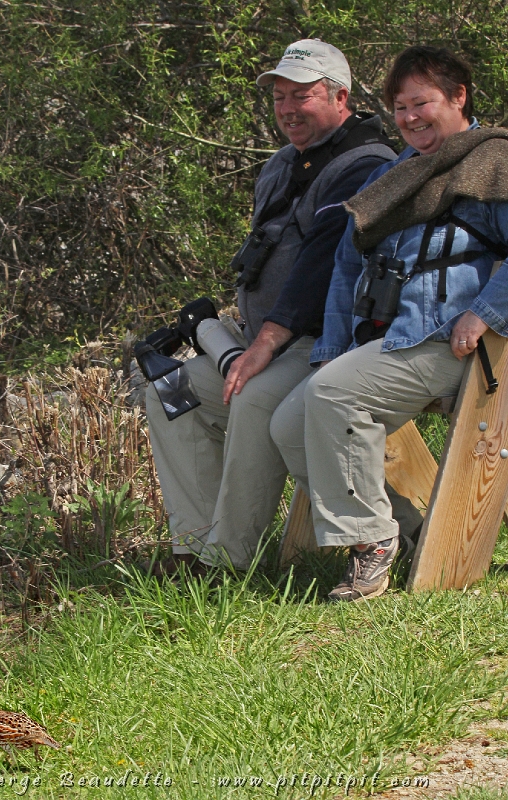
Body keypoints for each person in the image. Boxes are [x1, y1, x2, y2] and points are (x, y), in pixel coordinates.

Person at [145, 39, 404, 576]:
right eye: (279, 96)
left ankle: (228, 562)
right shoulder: (282, 165)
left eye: (302, 95)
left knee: (253, 398)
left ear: (341, 98)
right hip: (267, 339)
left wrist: (261, 346)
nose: (287, 108)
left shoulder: (367, 164)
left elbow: (322, 267)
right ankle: (193, 546)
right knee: (170, 390)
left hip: (323, 343)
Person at [271, 45, 508, 600]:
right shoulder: (393, 174)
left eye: (421, 102)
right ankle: (406, 526)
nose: (409, 118)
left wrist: (485, 312)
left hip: (454, 343)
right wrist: (331, 348)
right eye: (400, 108)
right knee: (288, 421)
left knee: (331, 397)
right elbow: (345, 269)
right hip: (388, 337)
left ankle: (369, 543)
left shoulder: (492, 162)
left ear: (457, 97)